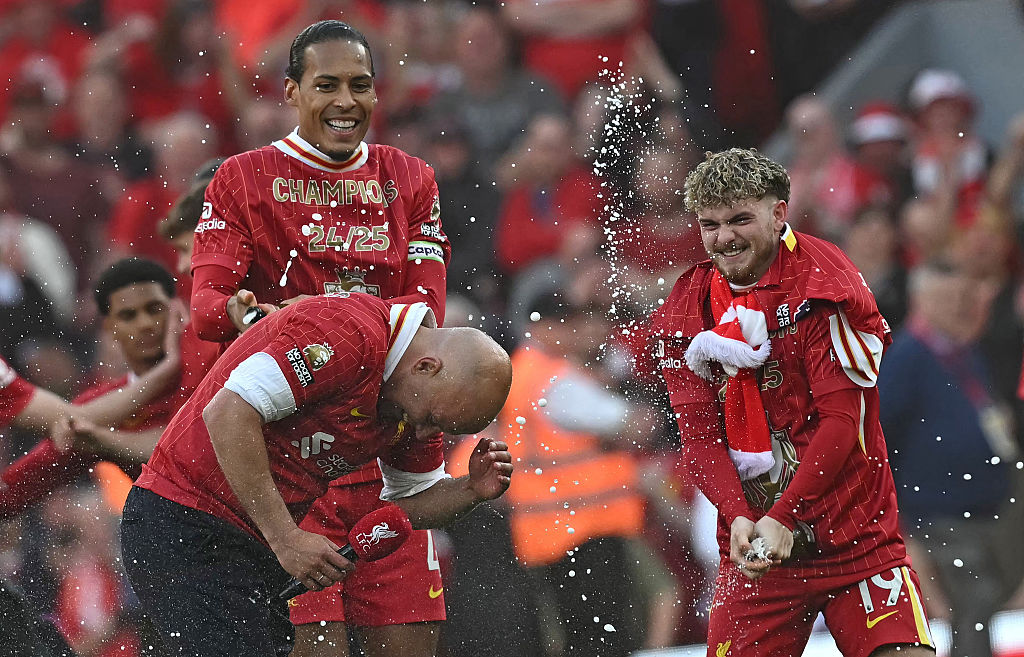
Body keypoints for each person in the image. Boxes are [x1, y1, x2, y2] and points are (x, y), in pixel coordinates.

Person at [188, 20, 454, 657]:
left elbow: (428, 307)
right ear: (291, 92)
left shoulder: (410, 179)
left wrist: (334, 321)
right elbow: (204, 308)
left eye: (360, 86)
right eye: (326, 85)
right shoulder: (241, 178)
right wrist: (255, 318)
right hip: (292, 460)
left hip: (386, 451)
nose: (346, 102)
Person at [649, 148, 934, 656]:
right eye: (709, 225)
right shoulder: (687, 306)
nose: (724, 237)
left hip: (855, 541)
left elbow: (844, 421)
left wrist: (784, 514)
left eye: (741, 219)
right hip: (757, 550)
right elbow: (698, 436)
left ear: (779, 212)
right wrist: (738, 514)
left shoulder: (826, 285)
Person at [120, 291, 513, 657]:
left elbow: (407, 508)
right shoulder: (346, 332)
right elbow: (226, 413)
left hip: (254, 544)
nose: (426, 433)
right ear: (426, 366)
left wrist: (470, 491)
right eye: (432, 419)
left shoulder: (415, 398)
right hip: (183, 523)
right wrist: (286, 538)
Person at [0, 258, 222, 521]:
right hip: (181, 536)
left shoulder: (217, 365)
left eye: (155, 309)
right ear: (109, 327)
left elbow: (197, 447)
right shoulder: (100, 409)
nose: (145, 324)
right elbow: (16, 490)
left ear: (178, 311)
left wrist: (103, 440)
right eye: (128, 315)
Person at [880, 259, 1018, 657]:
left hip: (980, 515)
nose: (960, 306)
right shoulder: (907, 356)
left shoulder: (965, 351)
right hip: (939, 521)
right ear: (921, 300)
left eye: (964, 296)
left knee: (980, 613)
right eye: (948, 297)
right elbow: (882, 440)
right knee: (968, 615)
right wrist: (900, 526)